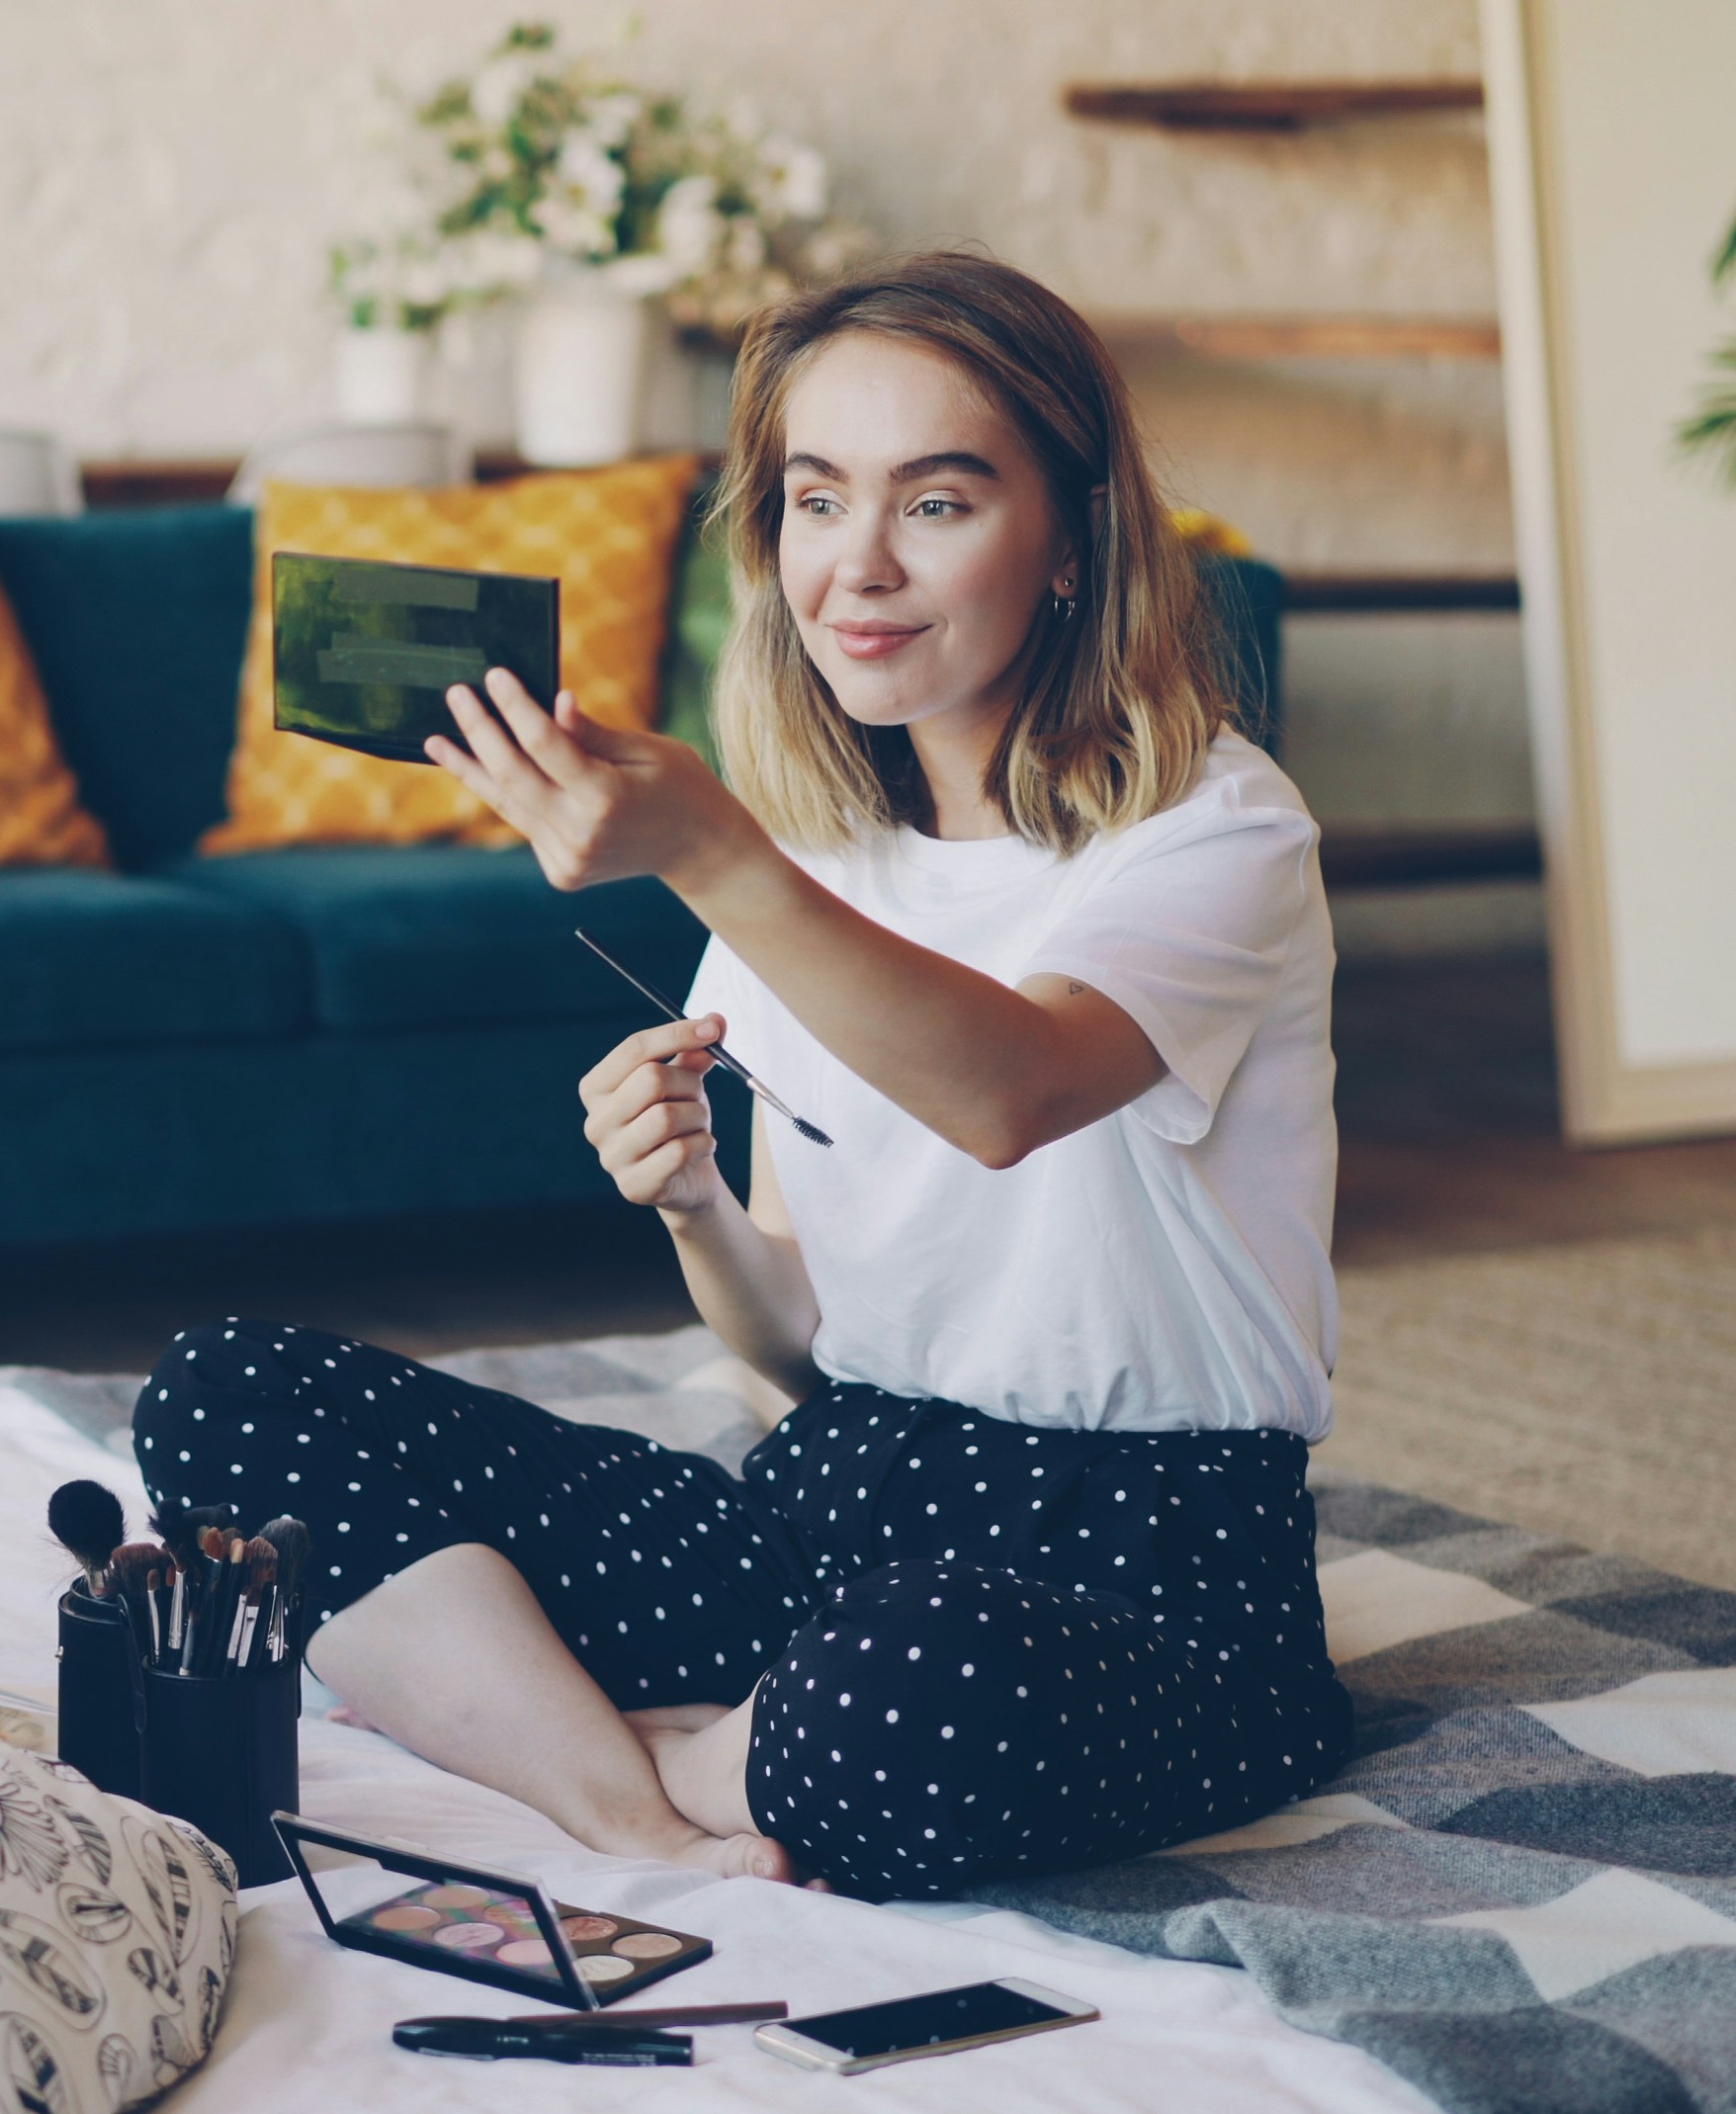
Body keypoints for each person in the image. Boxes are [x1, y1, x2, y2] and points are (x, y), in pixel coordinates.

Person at [132, 249, 1346, 1897]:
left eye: (938, 503)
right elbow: (805, 1346)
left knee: (914, 1697)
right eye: (815, 498)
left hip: (1146, 1560)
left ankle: (646, 1736)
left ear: (1071, 537)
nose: (856, 566)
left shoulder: (1219, 829)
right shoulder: (817, 854)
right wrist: (696, 1200)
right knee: (225, 1395)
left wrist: (713, 849)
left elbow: (1015, 1089)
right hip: (836, 1500)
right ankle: (637, 1799)